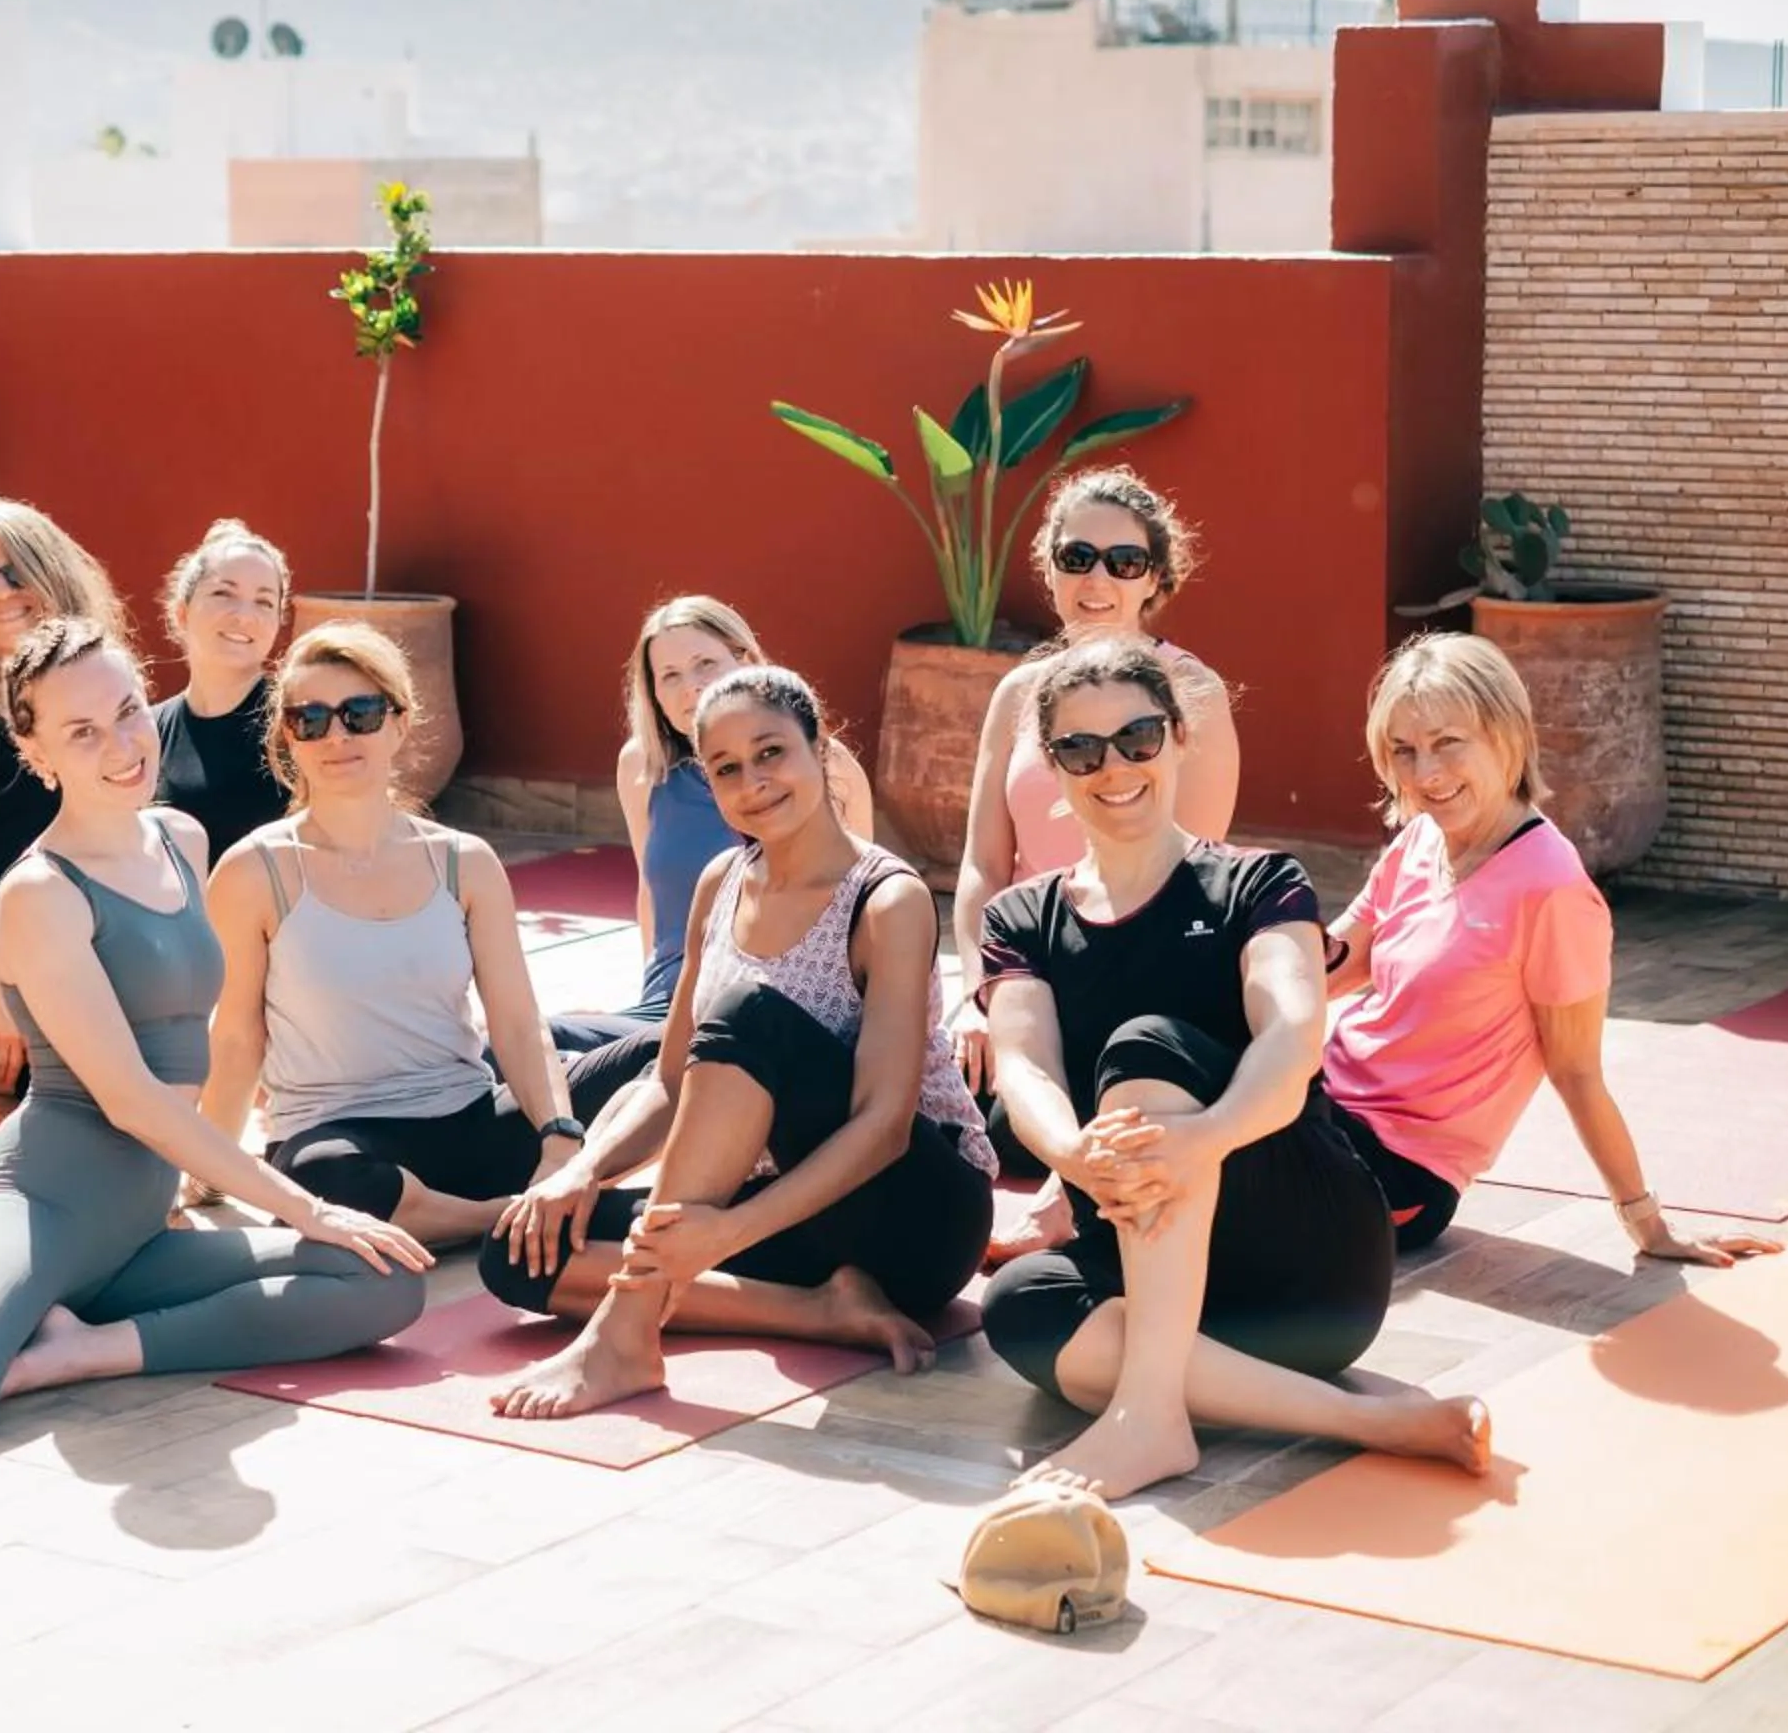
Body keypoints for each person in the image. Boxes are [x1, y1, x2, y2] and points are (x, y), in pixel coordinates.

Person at [0, 618, 430, 1446]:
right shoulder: (41, 893)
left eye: (130, 712)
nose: (123, 745)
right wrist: (305, 1204)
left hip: (132, 1230)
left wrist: (302, 1212)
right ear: (37, 753)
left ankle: (84, 1350)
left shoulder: (181, 839)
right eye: (82, 732)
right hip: (35, 1210)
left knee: (382, 1277)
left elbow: (204, 1035)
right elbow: (131, 1099)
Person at [973, 637, 1486, 1500]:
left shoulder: (1256, 884)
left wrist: (1204, 1139)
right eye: (1081, 749)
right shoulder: (1023, 916)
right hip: (1157, 1270)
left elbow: (1292, 1029)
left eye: (1136, 737)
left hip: (1302, 1265)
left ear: (1177, 738)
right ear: (1055, 770)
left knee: (1145, 1047)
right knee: (1018, 1304)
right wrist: (1073, 1157)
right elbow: (1024, 1065)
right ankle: (1369, 1420)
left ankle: (1146, 1415)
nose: (1114, 767)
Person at [481, 667, 996, 1419]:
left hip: (913, 1215)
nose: (753, 781)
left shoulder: (889, 899)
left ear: (819, 748)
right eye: (726, 769)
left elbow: (883, 1129)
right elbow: (666, 1082)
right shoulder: (721, 881)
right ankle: (820, 1310)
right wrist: (582, 1171)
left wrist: (726, 1232)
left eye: (770, 753)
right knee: (520, 1247)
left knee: (750, 1010)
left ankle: (626, 1331)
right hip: (779, 1210)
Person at [1323, 634, 1780, 1266]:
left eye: (1448, 743)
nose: (1426, 774)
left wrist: (1648, 1225)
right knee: (1166, 1059)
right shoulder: (1421, 840)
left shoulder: (1553, 890)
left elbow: (1577, 1073)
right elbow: (1334, 963)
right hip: (1322, 1102)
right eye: (1404, 751)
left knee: (1198, 1141)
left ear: (1506, 736)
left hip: (1397, 1174)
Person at [202, 621, 647, 1244]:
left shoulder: (463, 861)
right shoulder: (256, 869)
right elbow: (237, 1039)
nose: (337, 735)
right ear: (289, 738)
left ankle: (534, 1198)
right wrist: (208, 1172)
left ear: (400, 722)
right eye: (311, 719)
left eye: (360, 713)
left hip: (469, 1117)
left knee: (667, 1060)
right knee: (321, 1178)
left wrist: (558, 1137)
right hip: (343, 1138)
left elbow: (518, 1021)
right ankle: (511, 1218)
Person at [955, 468, 1240, 1222]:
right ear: (1049, 570)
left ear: (1156, 578)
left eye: (1125, 561)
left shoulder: (1193, 694)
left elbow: (1193, 886)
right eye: (1077, 557)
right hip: (1021, 990)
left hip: (1136, 997)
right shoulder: (1018, 696)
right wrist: (978, 996)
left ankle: (1072, 1192)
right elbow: (984, 867)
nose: (1098, 580)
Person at [548, 596, 872, 1055]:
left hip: (771, 1008)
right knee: (527, 1046)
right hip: (669, 1006)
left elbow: (862, 906)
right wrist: (640, 1010)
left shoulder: (823, 763)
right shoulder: (643, 766)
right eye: (671, 676)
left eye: (705, 664)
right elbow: (652, 894)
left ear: (745, 660)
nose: (690, 689)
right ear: (653, 693)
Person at [0, 493, 125, 1090]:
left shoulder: (100, 675)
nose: (1, 593)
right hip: (11, 963)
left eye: (15, 570)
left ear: (49, 568)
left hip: (109, 951)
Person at [152, 517, 291, 860]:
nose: (244, 616)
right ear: (182, 614)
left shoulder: (300, 723)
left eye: (264, 601)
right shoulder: (148, 729)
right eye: (223, 593)